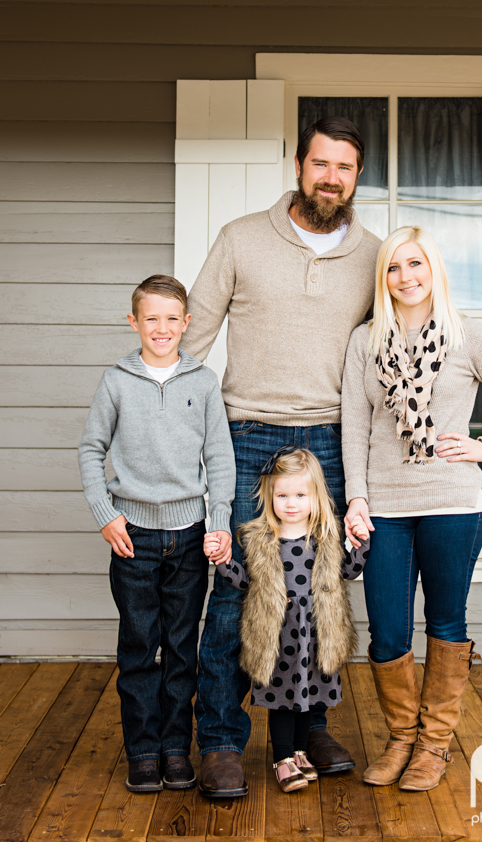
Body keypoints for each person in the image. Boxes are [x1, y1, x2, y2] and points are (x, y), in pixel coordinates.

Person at [184, 116, 381, 796]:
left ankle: (310, 726)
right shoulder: (240, 238)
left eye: (344, 168)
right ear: (299, 166)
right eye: (320, 163)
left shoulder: (373, 255)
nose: (330, 176)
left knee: (321, 596)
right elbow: (192, 341)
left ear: (356, 177)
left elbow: (389, 352)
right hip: (247, 435)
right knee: (240, 595)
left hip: (328, 437)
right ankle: (218, 742)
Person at [342, 227, 482, 792]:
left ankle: (433, 747)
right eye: (394, 268)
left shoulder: (466, 336)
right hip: (385, 505)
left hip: (454, 502)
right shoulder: (364, 342)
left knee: (446, 623)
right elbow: (354, 424)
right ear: (383, 279)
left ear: (434, 269)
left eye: (415, 264)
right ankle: (401, 738)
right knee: (386, 632)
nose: (406, 277)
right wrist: (357, 495)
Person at [78, 274, 235, 794]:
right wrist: (106, 512)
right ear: (134, 322)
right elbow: (90, 450)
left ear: (186, 324)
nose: (162, 328)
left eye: (172, 319)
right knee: (140, 646)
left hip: (189, 535)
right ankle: (143, 752)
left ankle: (175, 749)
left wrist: (218, 520)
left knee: (181, 647)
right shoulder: (117, 380)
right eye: (151, 318)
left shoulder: (204, 382)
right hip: (133, 536)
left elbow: (219, 457)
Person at [204, 447, 370, 793]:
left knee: (308, 694)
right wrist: (222, 562)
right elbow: (246, 580)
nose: (290, 503)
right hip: (279, 637)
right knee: (282, 700)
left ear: (316, 497)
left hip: (314, 636)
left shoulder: (325, 538)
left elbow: (347, 572)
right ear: (270, 496)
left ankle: (299, 750)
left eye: (299, 494)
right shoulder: (263, 539)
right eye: (282, 495)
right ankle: (282, 758)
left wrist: (362, 546)